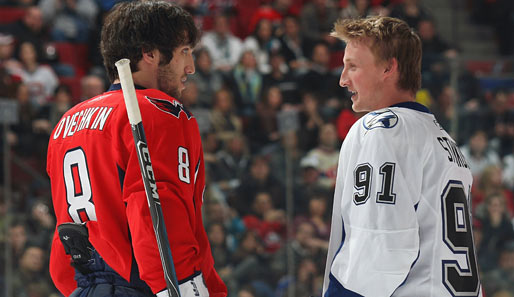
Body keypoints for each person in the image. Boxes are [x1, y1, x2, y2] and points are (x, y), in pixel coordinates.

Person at [46, 2, 227, 297]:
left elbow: (64, 234)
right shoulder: (158, 114)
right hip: (144, 286)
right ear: (150, 54)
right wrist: (190, 291)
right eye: (184, 51)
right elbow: (158, 214)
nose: (191, 67)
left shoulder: (68, 122)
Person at [323, 16, 483, 296]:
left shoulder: (381, 130)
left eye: (353, 66)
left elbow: (382, 249)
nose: (343, 79)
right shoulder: (445, 142)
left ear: (388, 67)